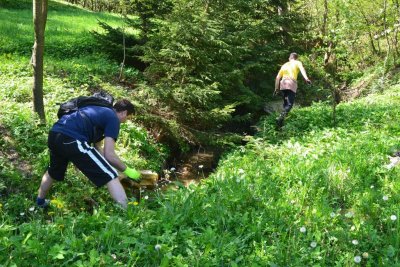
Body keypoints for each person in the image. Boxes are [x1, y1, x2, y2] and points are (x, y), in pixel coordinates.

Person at [36, 98, 141, 209]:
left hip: (55, 134)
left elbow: (98, 148)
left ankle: (40, 202)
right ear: (124, 112)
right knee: (111, 175)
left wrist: (107, 167)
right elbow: (110, 155)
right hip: (72, 138)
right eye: (128, 118)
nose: (125, 121)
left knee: (53, 171)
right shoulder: (113, 118)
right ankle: (129, 213)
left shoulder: (100, 111)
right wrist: (127, 170)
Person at [274, 52, 311, 128]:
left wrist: (276, 89)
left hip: (283, 84)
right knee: (290, 104)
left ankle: (280, 125)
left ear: (289, 58)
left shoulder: (284, 65)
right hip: (291, 83)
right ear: (296, 58)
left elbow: (277, 78)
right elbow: (302, 70)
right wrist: (306, 79)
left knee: (285, 104)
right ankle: (280, 118)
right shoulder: (298, 62)